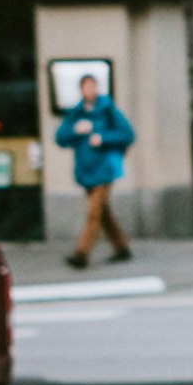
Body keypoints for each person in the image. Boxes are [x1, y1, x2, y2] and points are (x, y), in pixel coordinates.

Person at [53, 74, 135, 269]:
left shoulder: (107, 110)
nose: (91, 90)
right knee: (103, 213)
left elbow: (128, 134)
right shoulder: (76, 113)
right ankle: (122, 247)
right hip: (85, 171)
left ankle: (81, 254)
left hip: (104, 170)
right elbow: (60, 138)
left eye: (93, 86)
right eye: (87, 87)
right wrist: (76, 130)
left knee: (93, 213)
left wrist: (102, 137)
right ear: (81, 90)